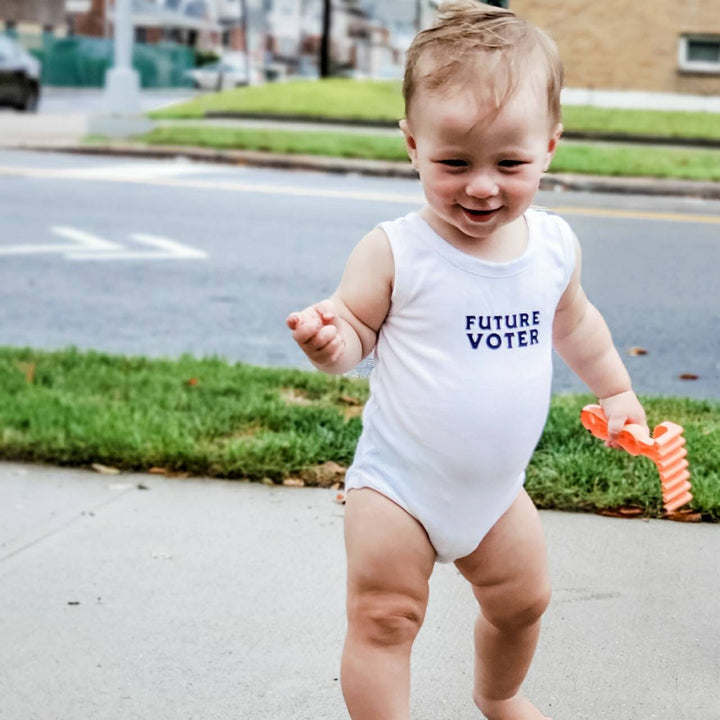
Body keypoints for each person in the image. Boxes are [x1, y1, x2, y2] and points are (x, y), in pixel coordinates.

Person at [287, 2, 647, 718]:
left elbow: (577, 324)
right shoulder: (396, 250)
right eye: (454, 162)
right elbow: (355, 330)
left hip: (495, 493)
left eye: (509, 163)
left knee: (524, 603)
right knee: (385, 620)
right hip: (398, 491)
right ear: (412, 145)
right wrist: (331, 343)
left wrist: (617, 393)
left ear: (550, 147)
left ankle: (500, 696)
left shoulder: (552, 249)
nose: (481, 186)